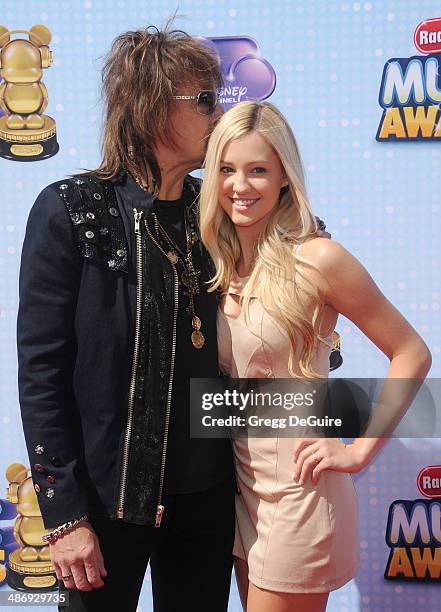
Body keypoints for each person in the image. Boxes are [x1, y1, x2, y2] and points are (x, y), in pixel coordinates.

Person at [17, 24, 237, 612]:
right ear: (152, 107)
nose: (222, 114)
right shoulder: (72, 210)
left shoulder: (219, 213)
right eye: (207, 101)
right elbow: (41, 374)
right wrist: (64, 517)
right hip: (104, 503)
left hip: (208, 501)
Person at [199, 100, 432, 612]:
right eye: (227, 169)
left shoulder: (319, 258)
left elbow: (412, 353)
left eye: (258, 170)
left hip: (300, 493)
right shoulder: (219, 261)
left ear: (285, 176)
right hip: (242, 490)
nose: (240, 186)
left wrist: (357, 451)